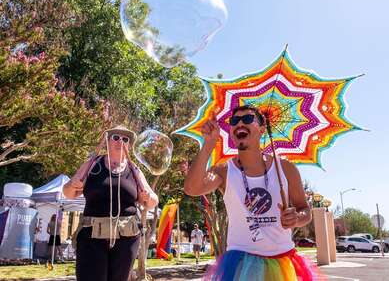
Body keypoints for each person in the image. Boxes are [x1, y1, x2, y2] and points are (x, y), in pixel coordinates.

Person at [184, 105, 322, 280]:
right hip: (240, 265)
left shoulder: (286, 169)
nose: (240, 123)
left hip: (284, 262)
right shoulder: (224, 171)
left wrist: (297, 218)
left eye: (248, 119)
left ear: (263, 129)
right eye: (234, 121)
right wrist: (208, 144)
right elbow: (192, 188)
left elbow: (305, 210)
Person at [63, 125, 158, 281]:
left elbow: (152, 201)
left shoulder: (134, 169)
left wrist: (148, 196)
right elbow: (68, 193)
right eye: (116, 137)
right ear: (107, 140)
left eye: (125, 139)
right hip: (92, 237)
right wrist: (73, 185)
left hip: (127, 238)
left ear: (129, 145)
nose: (120, 141)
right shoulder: (93, 164)